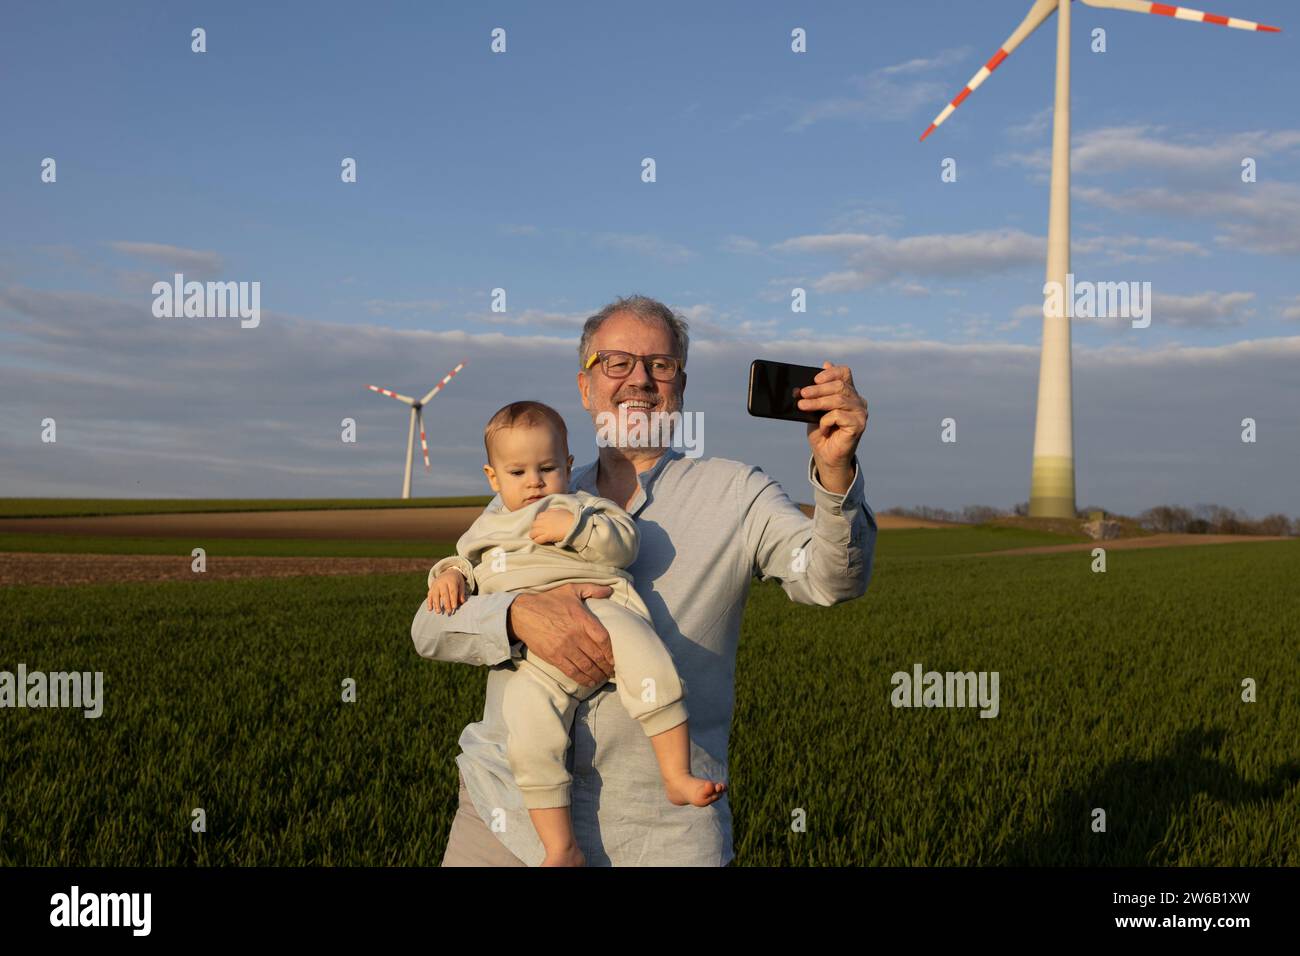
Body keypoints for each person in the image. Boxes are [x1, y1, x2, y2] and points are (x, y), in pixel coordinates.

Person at [411, 294, 877, 866]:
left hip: (661, 834)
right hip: (505, 817)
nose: (640, 380)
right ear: (586, 388)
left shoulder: (737, 493)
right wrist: (514, 617)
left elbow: (831, 580)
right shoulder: (526, 495)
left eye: (661, 365)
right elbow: (430, 628)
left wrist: (835, 470)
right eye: (617, 363)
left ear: (679, 388)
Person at [425, 399, 726, 866]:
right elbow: (464, 563)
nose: (534, 483)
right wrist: (448, 576)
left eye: (547, 468)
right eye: (518, 472)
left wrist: (576, 528)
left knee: (648, 664)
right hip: (534, 658)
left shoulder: (583, 505)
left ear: (568, 465)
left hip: (601, 610)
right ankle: (560, 846)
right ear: (493, 477)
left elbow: (624, 543)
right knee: (528, 728)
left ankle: (676, 773)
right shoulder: (489, 525)